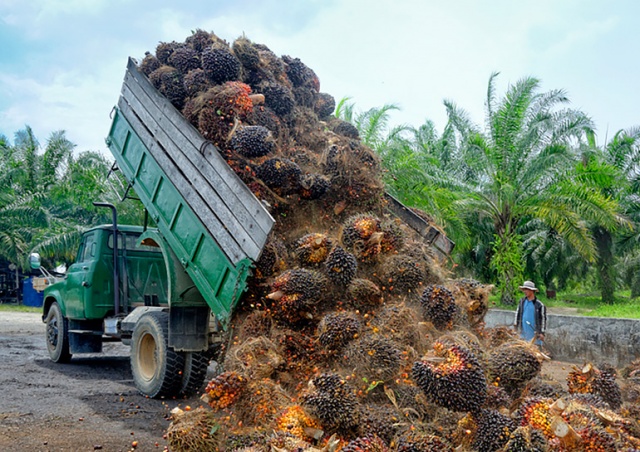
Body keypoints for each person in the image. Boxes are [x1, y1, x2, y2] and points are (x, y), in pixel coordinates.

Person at [514, 281, 547, 347]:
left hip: (535, 335)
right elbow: (517, 314)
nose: (525, 291)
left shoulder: (539, 305)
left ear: (532, 291)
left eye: (527, 289)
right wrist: (516, 327)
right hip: (523, 334)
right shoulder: (521, 302)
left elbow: (543, 319)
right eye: (524, 289)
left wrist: (542, 333)